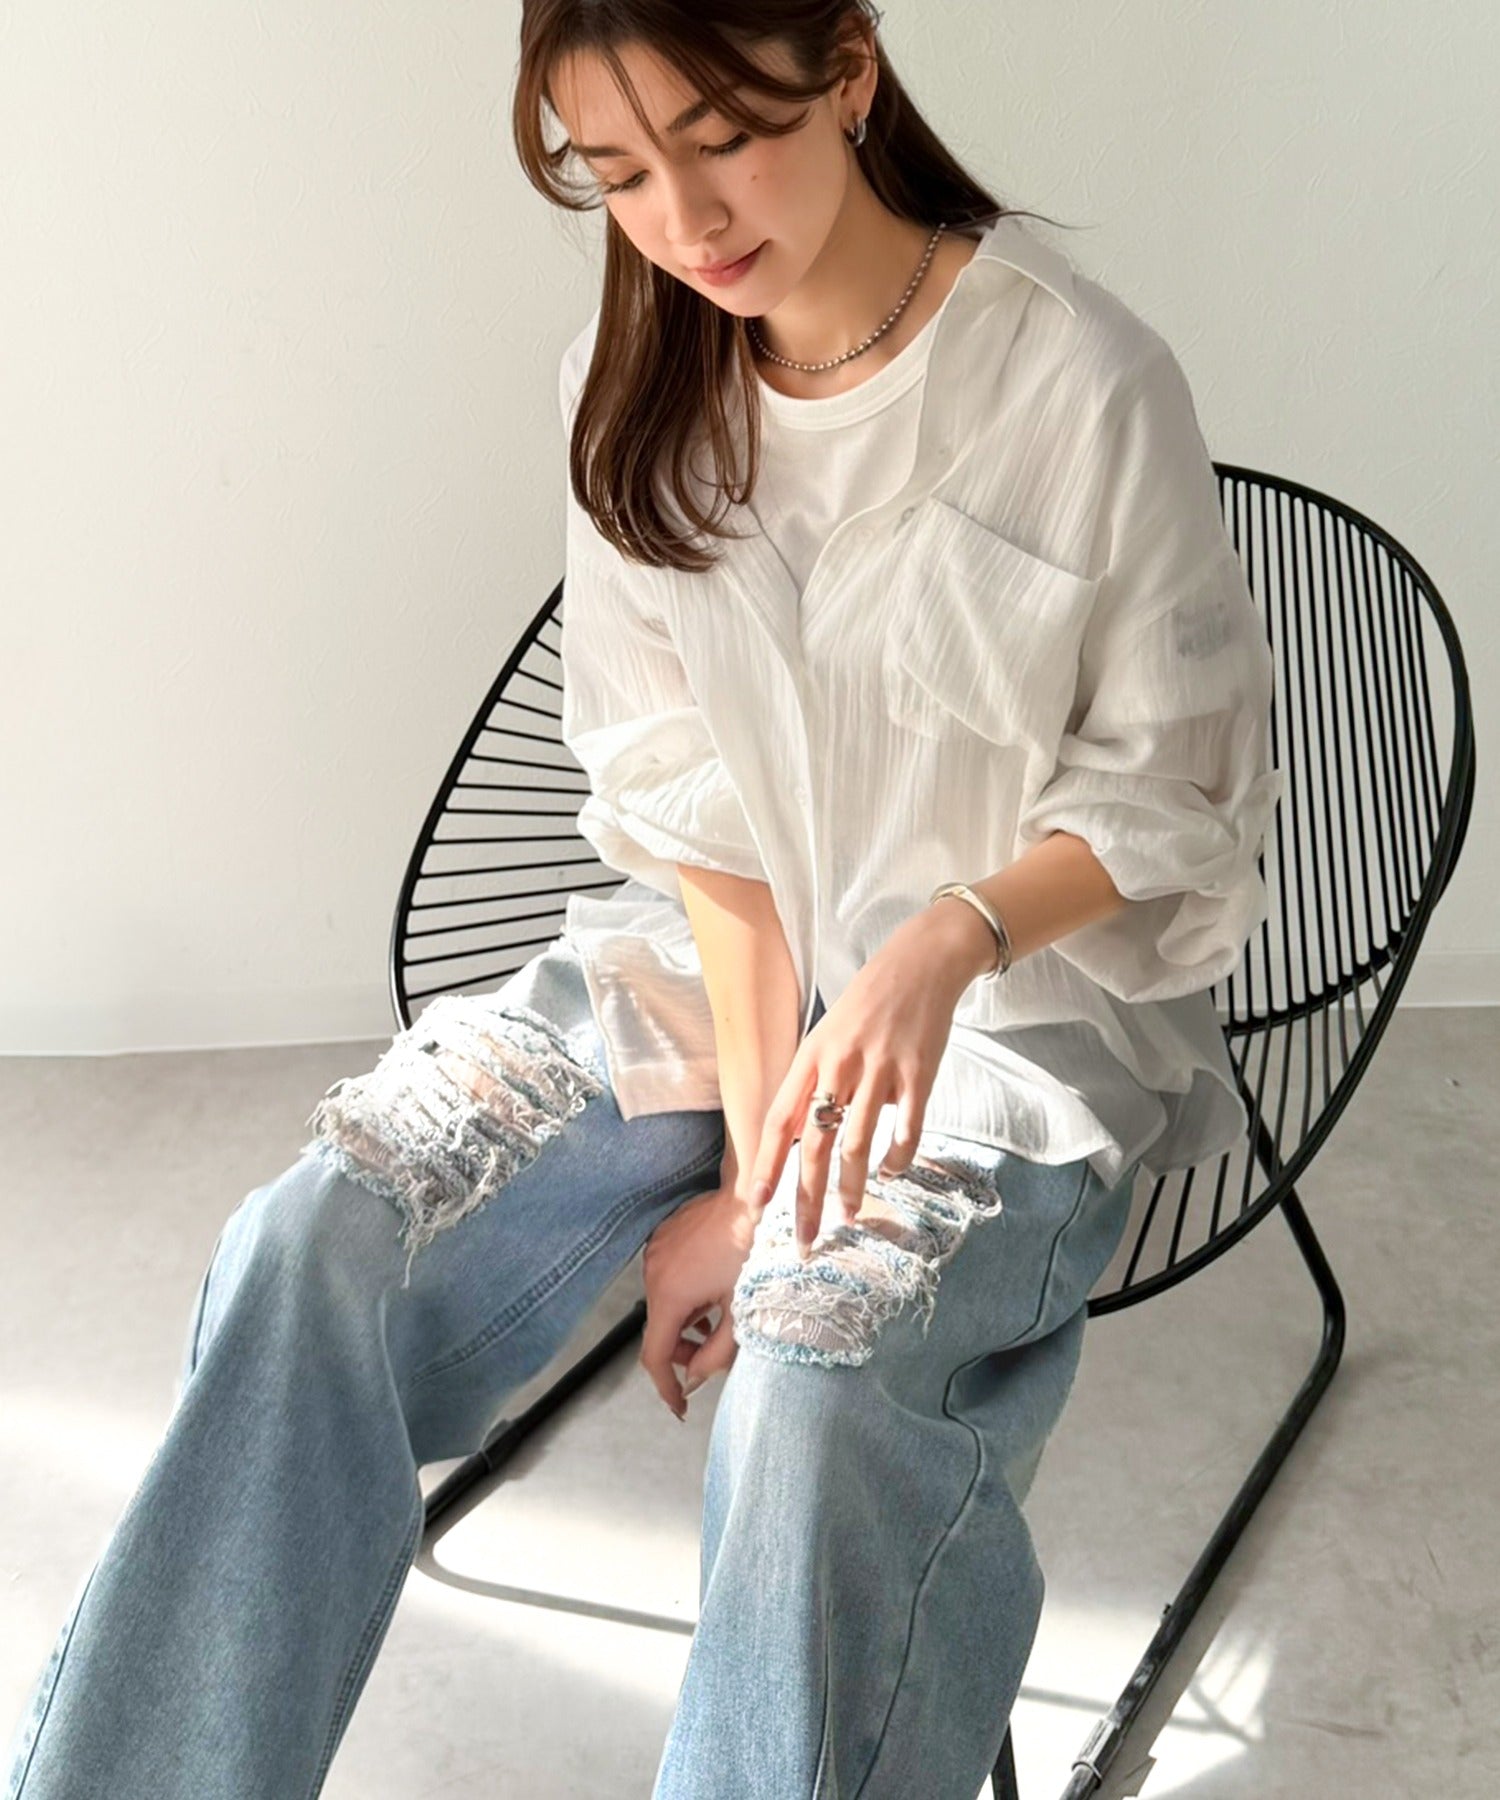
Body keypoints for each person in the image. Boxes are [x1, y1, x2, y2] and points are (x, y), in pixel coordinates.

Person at [5, 2, 1283, 1796]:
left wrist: (946, 939)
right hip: (708, 963)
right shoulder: (634, 388)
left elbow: (1173, 787)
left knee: (814, 1386)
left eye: (721, 138)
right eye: (617, 173)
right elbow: (712, 832)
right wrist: (760, 1183)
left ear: (848, 71)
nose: (685, 219)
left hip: (1010, 1016)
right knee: (323, 1245)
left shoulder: (1077, 378)